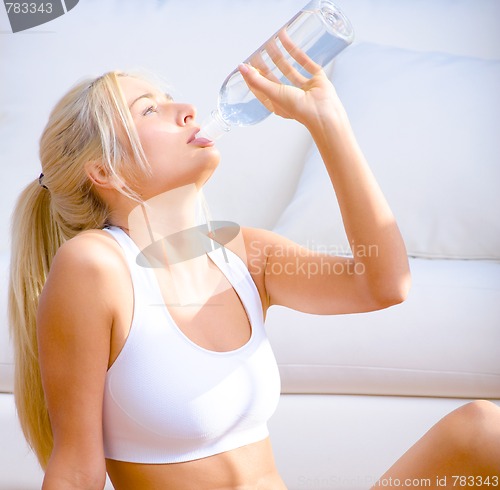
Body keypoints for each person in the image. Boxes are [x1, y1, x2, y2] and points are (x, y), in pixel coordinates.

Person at [8, 42, 499, 490]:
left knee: (480, 432)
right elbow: (76, 470)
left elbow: (385, 284)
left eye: (172, 98)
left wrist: (328, 124)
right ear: (104, 170)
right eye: (151, 109)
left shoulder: (244, 253)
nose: (188, 111)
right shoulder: (94, 265)